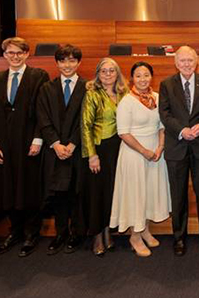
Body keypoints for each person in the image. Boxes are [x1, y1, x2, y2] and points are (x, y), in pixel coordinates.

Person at [0, 37, 50, 258]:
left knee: (30, 187)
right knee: (9, 188)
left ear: (27, 54)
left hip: (29, 141)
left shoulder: (38, 76)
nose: (15, 57)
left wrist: (38, 138)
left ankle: (32, 233)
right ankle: (15, 231)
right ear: (4, 55)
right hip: (3, 143)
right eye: (11, 53)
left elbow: (43, 111)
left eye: (19, 53)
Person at [110, 62, 171, 257]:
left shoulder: (157, 98)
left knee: (149, 192)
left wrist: (160, 147)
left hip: (155, 152)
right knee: (136, 194)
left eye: (146, 75)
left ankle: (144, 229)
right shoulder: (127, 101)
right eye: (138, 75)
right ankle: (134, 236)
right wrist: (144, 151)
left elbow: (163, 125)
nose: (143, 79)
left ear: (151, 77)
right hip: (134, 153)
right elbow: (123, 132)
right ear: (131, 79)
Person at [159, 46, 199, 256]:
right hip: (177, 147)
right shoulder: (166, 85)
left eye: (190, 60)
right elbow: (164, 113)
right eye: (182, 61)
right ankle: (179, 237)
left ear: (196, 61)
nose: (186, 64)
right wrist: (182, 130)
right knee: (178, 195)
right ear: (176, 63)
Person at [36, 44, 87, 255]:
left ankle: (76, 233)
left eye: (72, 60)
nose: (68, 65)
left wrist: (73, 143)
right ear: (57, 63)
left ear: (79, 63)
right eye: (63, 61)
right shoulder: (47, 89)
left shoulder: (88, 87)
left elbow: (86, 119)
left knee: (76, 192)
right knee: (58, 193)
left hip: (77, 149)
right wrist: (56, 143)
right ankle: (60, 233)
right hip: (55, 150)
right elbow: (43, 118)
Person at [81, 57, 128, 256]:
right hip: (100, 149)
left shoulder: (124, 93)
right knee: (97, 193)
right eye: (104, 71)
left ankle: (109, 230)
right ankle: (97, 235)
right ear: (98, 74)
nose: (108, 74)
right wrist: (92, 155)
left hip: (120, 149)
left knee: (112, 192)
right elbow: (85, 126)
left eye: (112, 71)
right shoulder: (92, 94)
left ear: (117, 74)